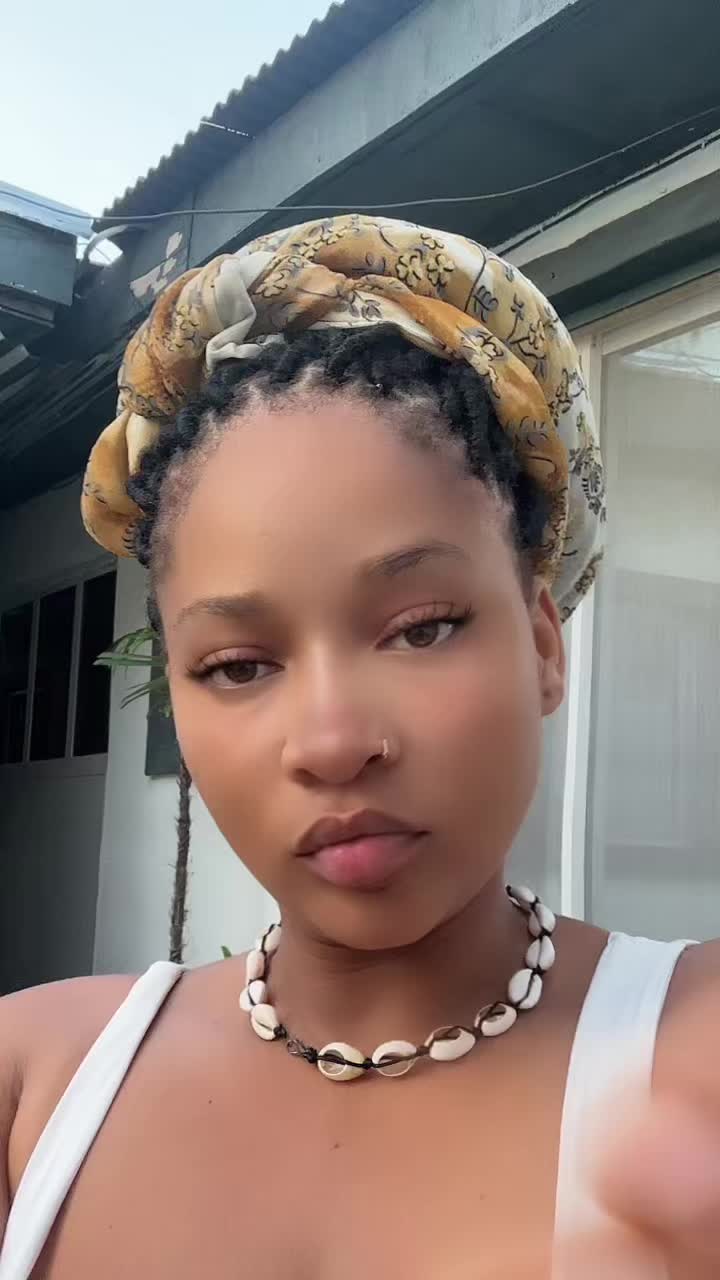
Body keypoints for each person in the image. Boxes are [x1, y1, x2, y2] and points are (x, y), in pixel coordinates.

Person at [0, 215, 718, 1279]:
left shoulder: (697, 1060)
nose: (334, 743)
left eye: (422, 628)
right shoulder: (29, 1086)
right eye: (237, 665)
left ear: (542, 642)